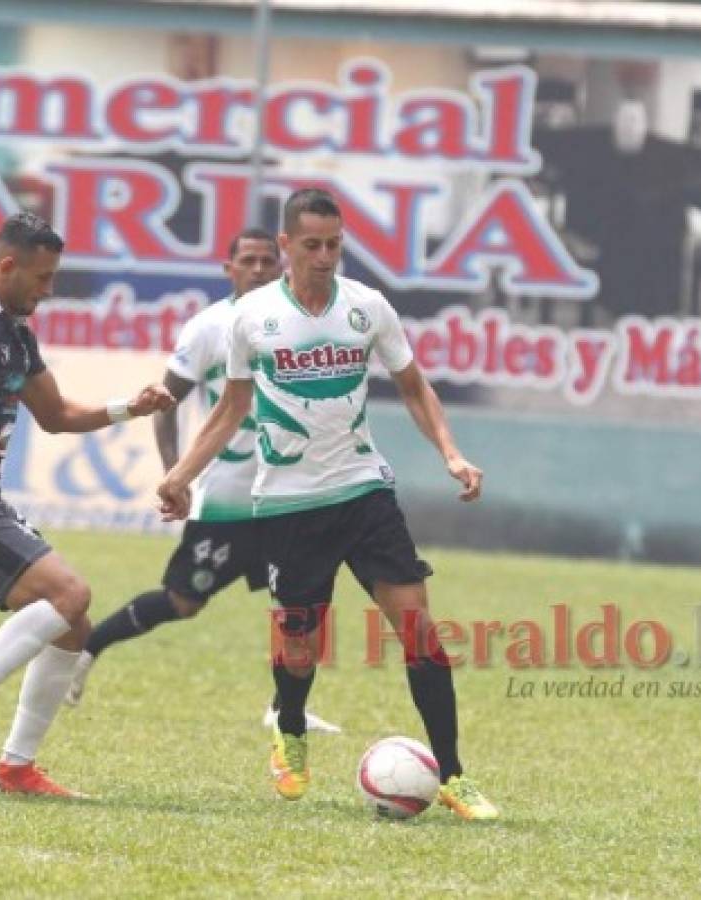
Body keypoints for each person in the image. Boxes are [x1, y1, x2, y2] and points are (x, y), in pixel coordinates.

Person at [157, 188, 499, 822]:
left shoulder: (367, 309)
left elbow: (414, 386)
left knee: (420, 633)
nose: (324, 256)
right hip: (289, 504)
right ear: (285, 246)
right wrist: (180, 475)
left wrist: (450, 453)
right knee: (300, 649)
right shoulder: (251, 318)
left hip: (364, 491)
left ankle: (453, 775)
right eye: (311, 245)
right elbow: (230, 408)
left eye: (334, 245)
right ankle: (290, 731)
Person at [0, 212, 173, 797]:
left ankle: (17, 769)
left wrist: (131, 408)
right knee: (71, 594)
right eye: (41, 278)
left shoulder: (16, 332)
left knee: (73, 626)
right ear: (7, 265)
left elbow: (58, 415)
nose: (48, 290)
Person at [63, 228, 340, 734]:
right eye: (248, 261)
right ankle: (89, 646)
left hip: (291, 494)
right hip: (229, 497)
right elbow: (164, 404)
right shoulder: (209, 328)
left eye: (266, 261)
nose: (258, 269)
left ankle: (285, 710)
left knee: (301, 604)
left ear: (281, 266)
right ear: (228, 269)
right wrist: (176, 472)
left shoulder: (302, 322)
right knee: (182, 602)